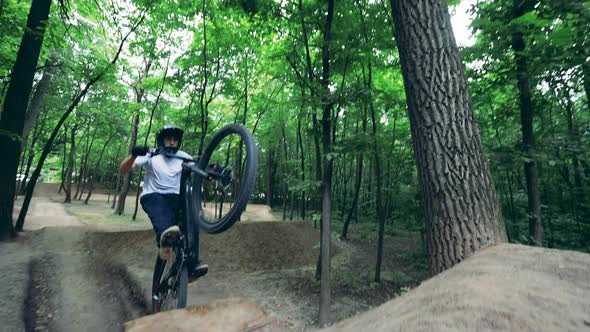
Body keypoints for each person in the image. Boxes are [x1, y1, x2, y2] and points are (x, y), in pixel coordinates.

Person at [119, 125, 208, 280]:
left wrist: (215, 171)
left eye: (175, 139)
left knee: (193, 221)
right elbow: (124, 169)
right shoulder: (151, 154)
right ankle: (165, 244)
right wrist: (133, 155)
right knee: (167, 226)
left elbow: (200, 170)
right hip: (154, 196)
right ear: (162, 140)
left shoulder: (184, 156)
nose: (172, 142)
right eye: (169, 139)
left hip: (177, 199)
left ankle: (191, 265)